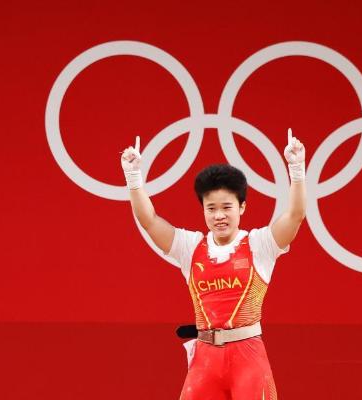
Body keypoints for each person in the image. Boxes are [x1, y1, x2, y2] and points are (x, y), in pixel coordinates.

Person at [120, 130, 306, 399]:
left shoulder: (260, 244)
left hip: (248, 358)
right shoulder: (190, 247)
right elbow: (149, 220)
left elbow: (295, 215)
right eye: (211, 208)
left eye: (227, 207)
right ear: (203, 210)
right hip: (205, 362)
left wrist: (297, 170)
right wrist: (133, 177)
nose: (219, 216)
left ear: (242, 207)